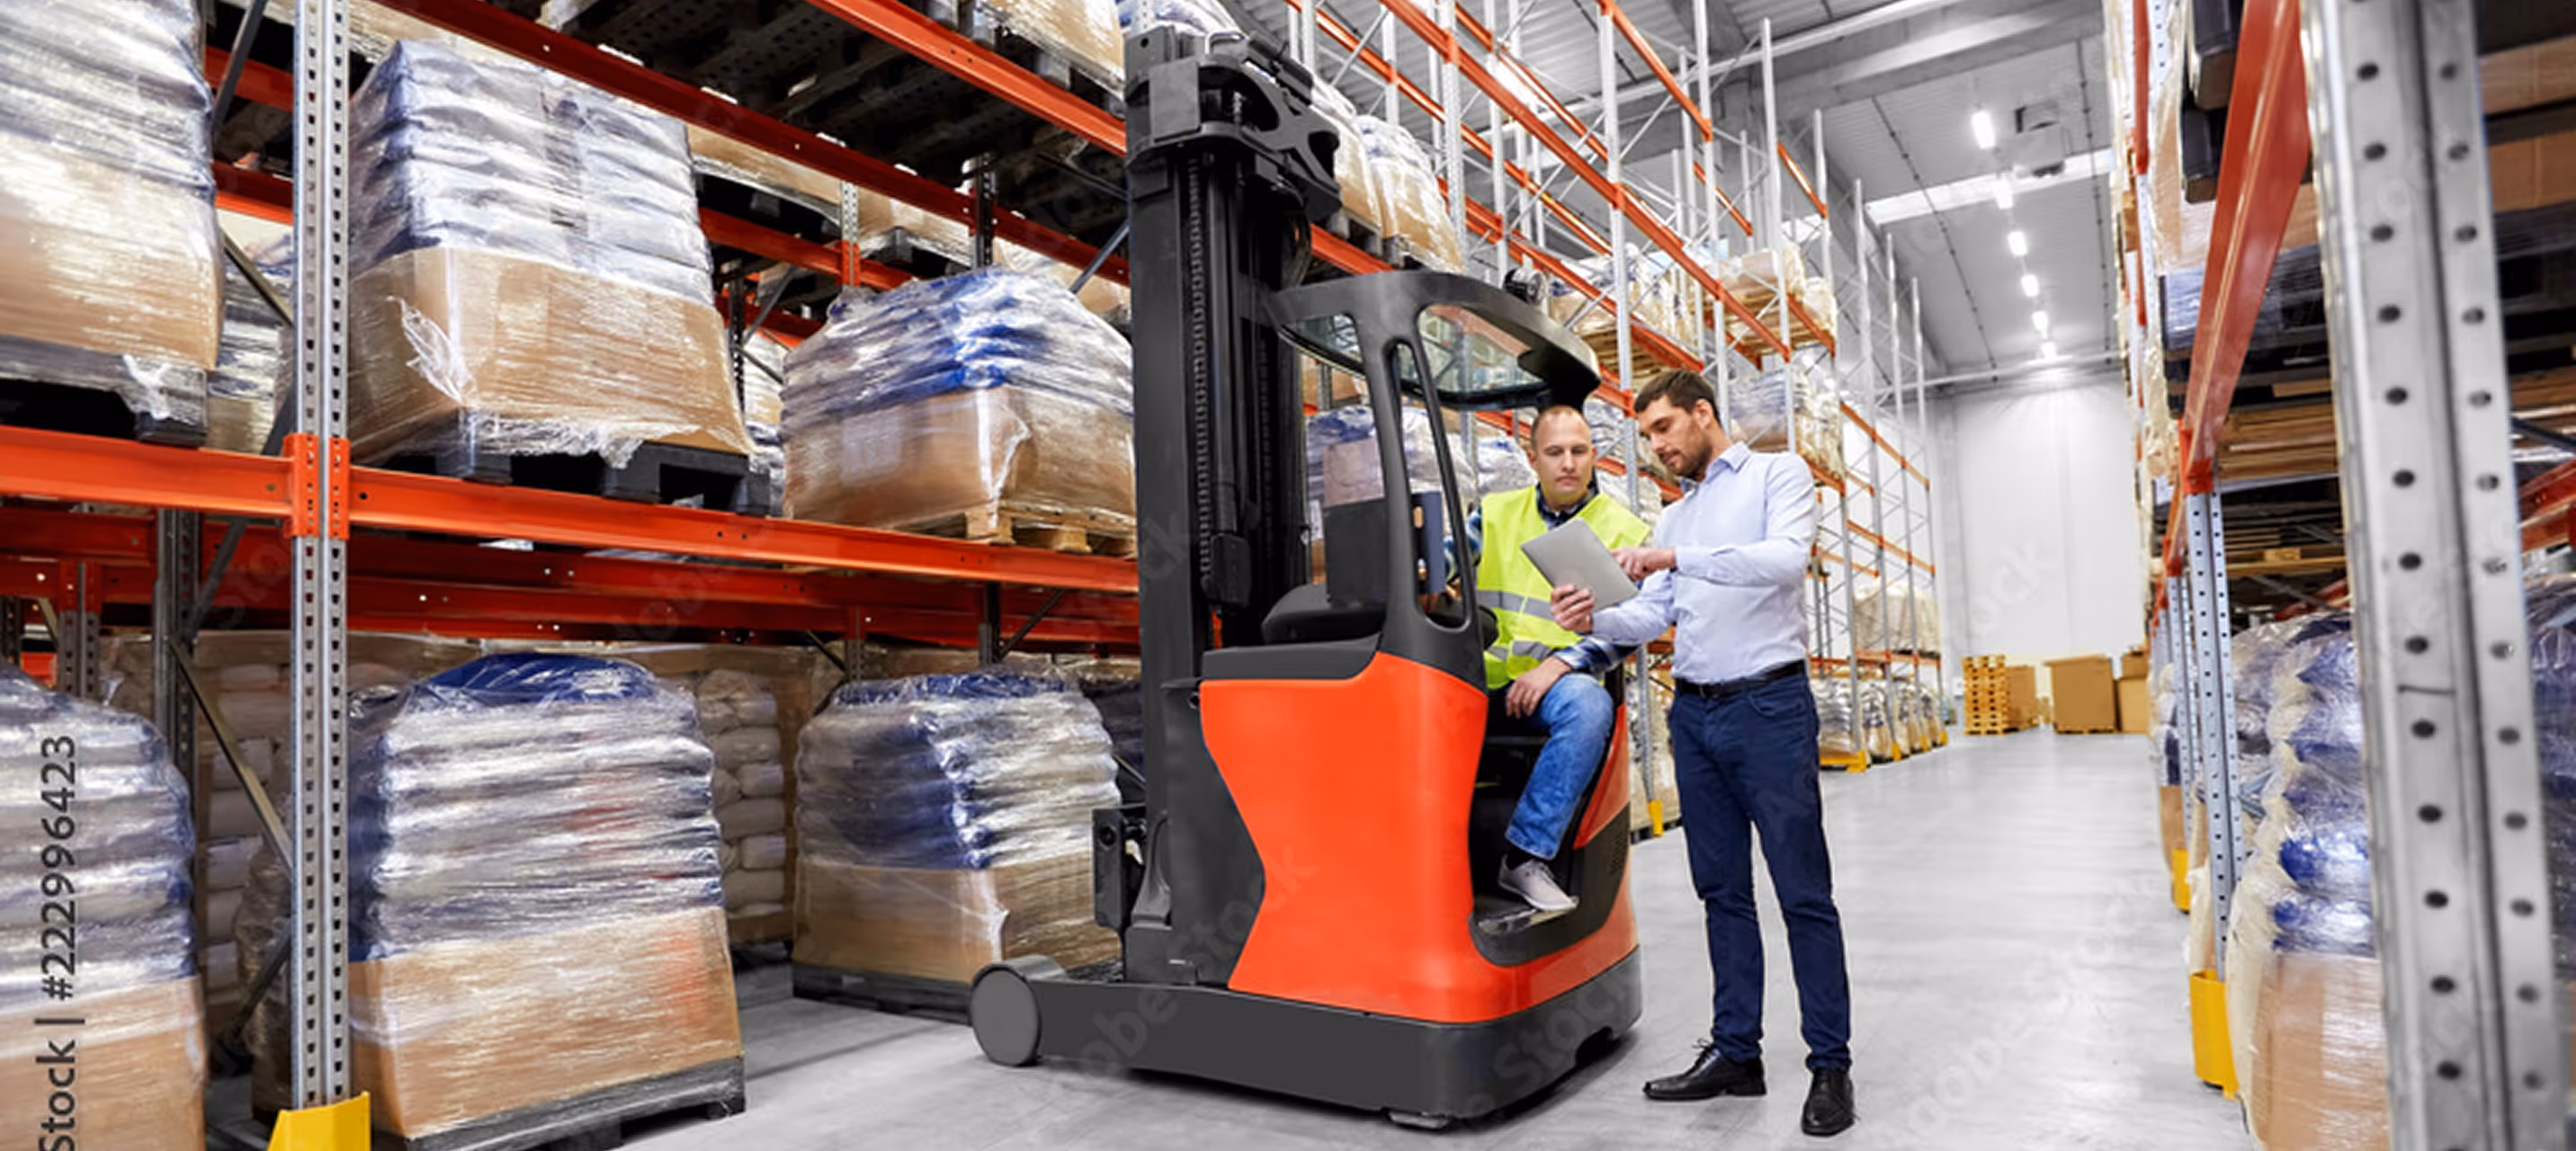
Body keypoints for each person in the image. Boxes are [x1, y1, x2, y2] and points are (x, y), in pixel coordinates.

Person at [1549, 370, 1856, 1138]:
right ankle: (1736, 1054)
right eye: (1647, 436)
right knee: (1721, 893)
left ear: (1702, 414)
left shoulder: (1776, 475)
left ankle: (1830, 1064)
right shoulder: (1675, 515)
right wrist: (1593, 616)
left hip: (1769, 707)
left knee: (1802, 892)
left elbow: (1785, 560)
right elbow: (1653, 612)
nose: (1655, 448)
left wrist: (1674, 561)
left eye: (1662, 430)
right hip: (1698, 713)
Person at [1468, 404, 1650, 914]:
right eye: (1555, 452)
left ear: (1594, 456)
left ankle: (1524, 856)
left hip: (1554, 687)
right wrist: (1424, 576)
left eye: (1578, 451)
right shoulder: (1496, 512)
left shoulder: (1622, 531)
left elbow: (1627, 630)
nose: (1567, 463)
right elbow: (1448, 554)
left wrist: (1559, 666)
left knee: (1588, 706)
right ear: (1533, 459)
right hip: (1483, 681)